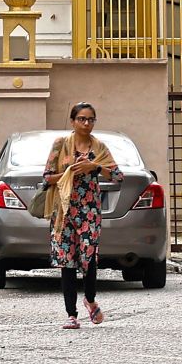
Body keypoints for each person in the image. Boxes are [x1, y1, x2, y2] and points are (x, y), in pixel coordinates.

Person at [42, 102, 124, 329]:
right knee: (66, 260)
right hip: (64, 211)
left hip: (89, 211)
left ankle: (90, 298)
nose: (86, 123)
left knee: (88, 256)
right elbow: (47, 177)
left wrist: (94, 167)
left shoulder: (99, 147)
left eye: (90, 119)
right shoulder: (60, 145)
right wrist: (69, 171)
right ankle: (71, 314)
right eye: (81, 119)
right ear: (72, 121)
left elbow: (118, 176)